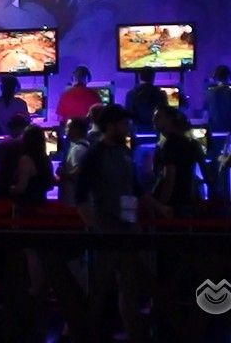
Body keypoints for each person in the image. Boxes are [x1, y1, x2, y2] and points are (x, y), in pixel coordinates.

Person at [75, 104, 171, 343]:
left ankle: (132, 333)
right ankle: (88, 333)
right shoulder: (95, 155)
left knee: (129, 285)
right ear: (111, 126)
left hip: (127, 226)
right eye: (124, 124)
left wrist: (157, 207)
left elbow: (135, 187)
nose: (128, 128)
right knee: (100, 286)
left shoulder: (123, 152)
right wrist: (93, 227)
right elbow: (80, 195)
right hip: (107, 227)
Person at [151, 106, 203, 215]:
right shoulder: (190, 143)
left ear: (169, 120)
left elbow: (169, 178)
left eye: (158, 117)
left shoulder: (170, 144)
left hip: (172, 205)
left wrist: (161, 205)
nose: (153, 120)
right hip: (185, 201)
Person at [9, 125, 54, 205]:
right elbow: (50, 185)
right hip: (42, 202)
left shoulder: (26, 160)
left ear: (26, 140)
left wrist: (10, 189)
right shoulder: (46, 158)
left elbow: (21, 188)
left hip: (27, 205)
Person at [0, 113, 30, 198]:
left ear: (10, 127)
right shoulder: (27, 144)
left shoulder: (2, 143)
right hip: (22, 183)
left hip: (4, 181)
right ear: (23, 127)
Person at [57, 117, 91, 206]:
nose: (65, 129)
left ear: (76, 130)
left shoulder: (77, 150)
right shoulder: (86, 146)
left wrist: (62, 174)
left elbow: (78, 175)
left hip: (73, 200)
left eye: (68, 126)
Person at [204, 65, 231, 135]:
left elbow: (205, 115)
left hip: (213, 132)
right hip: (230, 131)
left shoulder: (208, 93)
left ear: (215, 78)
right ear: (230, 77)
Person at [124, 70, 168, 134]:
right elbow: (167, 114)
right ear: (153, 77)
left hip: (137, 130)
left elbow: (127, 115)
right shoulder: (161, 94)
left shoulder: (130, 94)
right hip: (157, 130)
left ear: (140, 77)